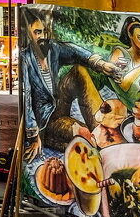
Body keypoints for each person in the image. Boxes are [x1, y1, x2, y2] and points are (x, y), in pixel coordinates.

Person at [21, 8, 121, 160]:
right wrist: (33, 136)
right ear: (28, 34)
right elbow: (27, 98)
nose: (42, 36)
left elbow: (75, 51)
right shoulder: (26, 59)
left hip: (59, 104)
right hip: (46, 119)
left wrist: (101, 64)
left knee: (79, 70)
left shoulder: (52, 49)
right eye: (36, 33)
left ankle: (100, 125)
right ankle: (92, 138)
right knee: (84, 135)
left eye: (43, 31)